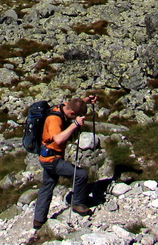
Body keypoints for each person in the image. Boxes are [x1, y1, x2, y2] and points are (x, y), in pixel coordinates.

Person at [33, 94, 98, 230]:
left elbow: (74, 104)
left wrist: (85, 101)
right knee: (81, 175)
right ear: (72, 113)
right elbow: (58, 139)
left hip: (48, 156)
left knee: (48, 185)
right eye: (74, 116)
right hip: (52, 159)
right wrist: (74, 125)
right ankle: (78, 204)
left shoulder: (63, 107)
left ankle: (38, 220)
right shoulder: (54, 120)